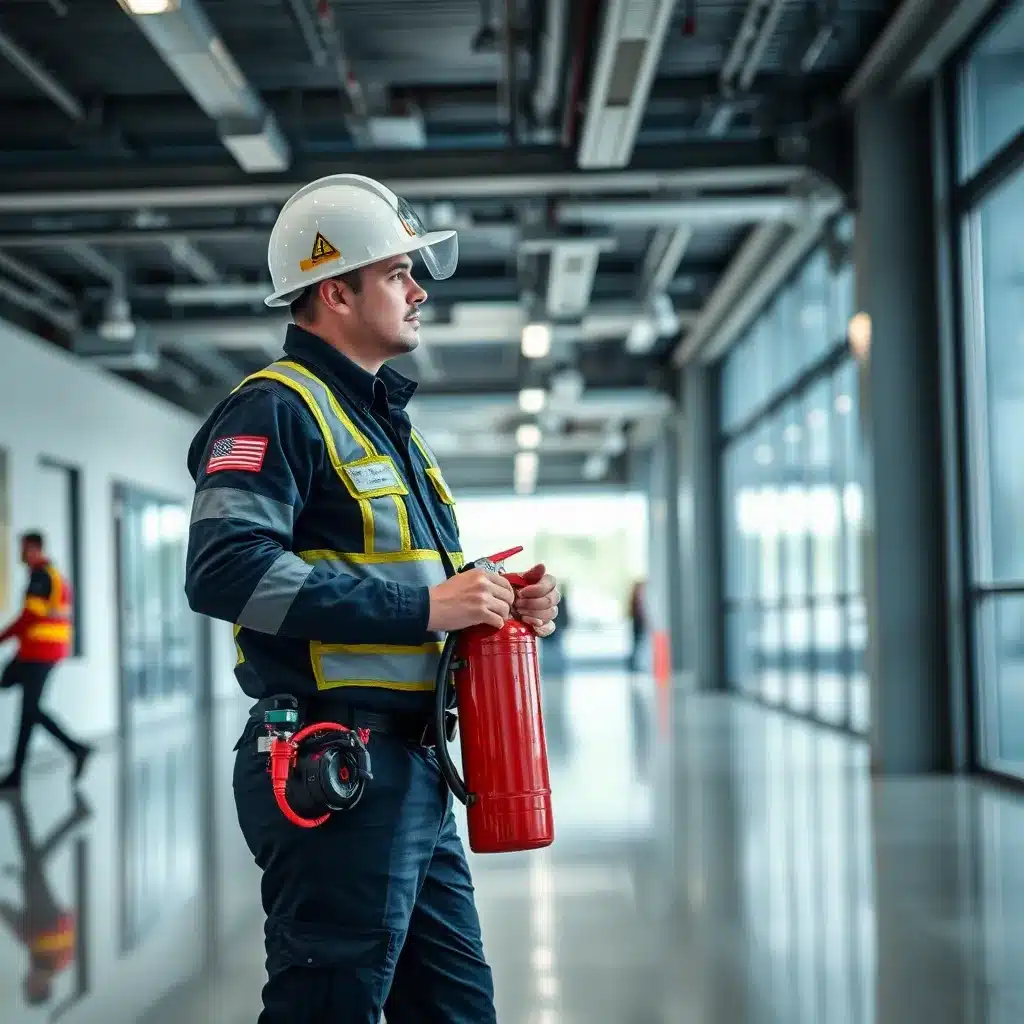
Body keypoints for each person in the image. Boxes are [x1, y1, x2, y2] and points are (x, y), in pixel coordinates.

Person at [183, 173, 561, 1024]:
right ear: (335, 290)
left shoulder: (384, 424)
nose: (418, 288)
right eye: (397, 273)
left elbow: (420, 578)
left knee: (459, 1011)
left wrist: (501, 602)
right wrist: (428, 609)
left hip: (413, 764)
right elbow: (225, 570)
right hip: (335, 760)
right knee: (329, 1007)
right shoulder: (275, 410)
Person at [0, 532, 90, 789]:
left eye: (25, 549)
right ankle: (73, 751)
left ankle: (75, 749)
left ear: (36, 549)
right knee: (29, 710)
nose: (22, 554)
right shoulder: (54, 576)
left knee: (28, 709)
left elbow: (27, 619)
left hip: (39, 654)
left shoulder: (41, 577)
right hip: (42, 653)